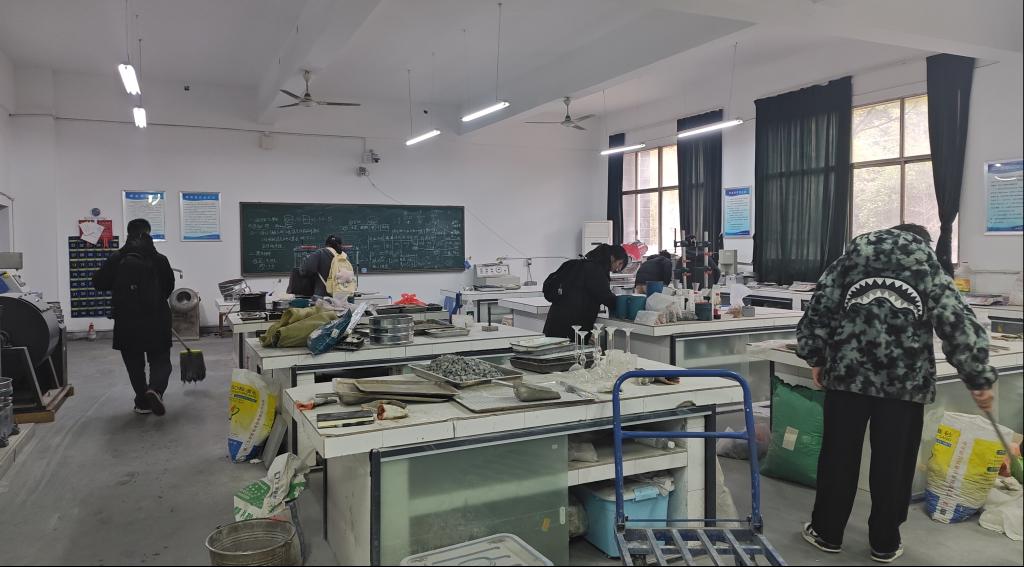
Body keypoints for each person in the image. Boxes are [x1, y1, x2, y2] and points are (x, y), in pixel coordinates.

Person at [796, 223, 996, 563]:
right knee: (895, 463)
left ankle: (827, 532)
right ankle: (885, 542)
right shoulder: (927, 266)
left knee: (838, 457)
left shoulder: (849, 260)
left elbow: (820, 308)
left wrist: (816, 356)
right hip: (905, 384)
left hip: (847, 378)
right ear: (922, 241)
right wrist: (977, 377)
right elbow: (956, 321)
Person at [93, 218, 176, 416]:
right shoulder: (160, 259)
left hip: (126, 320)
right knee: (160, 360)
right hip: (157, 318)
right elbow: (168, 287)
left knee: (134, 365)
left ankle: (142, 401)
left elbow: (98, 283)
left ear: (128, 234)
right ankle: (155, 390)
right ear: (149, 233)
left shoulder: (117, 258)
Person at [542, 244, 628, 340]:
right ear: (612, 258)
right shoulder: (595, 270)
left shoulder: (575, 264)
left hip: (554, 322)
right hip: (573, 327)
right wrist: (625, 305)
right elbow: (606, 297)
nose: (618, 269)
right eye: (619, 263)